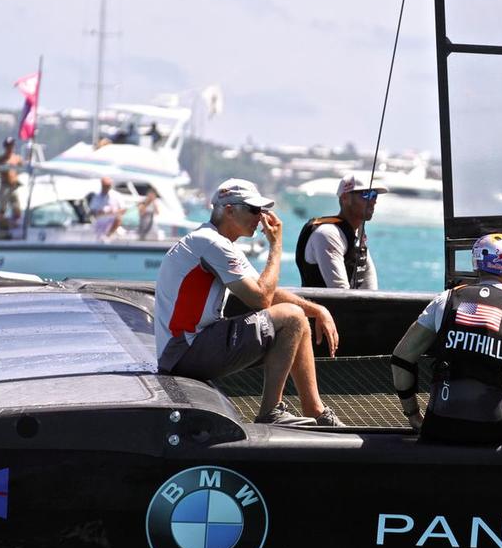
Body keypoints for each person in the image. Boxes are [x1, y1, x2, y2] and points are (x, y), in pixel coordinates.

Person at [155, 178, 343, 427]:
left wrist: (317, 310)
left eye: (262, 210)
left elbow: (265, 290)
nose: (261, 217)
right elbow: (262, 299)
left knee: (300, 321)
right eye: (254, 210)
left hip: (192, 347)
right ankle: (270, 412)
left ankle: (315, 410)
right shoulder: (211, 243)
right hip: (186, 351)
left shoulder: (219, 243)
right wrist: (276, 246)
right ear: (229, 209)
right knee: (292, 317)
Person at [390, 233, 502, 443]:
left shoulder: (446, 298)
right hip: (494, 430)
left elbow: (401, 359)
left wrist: (414, 416)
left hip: (440, 425)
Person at [295, 173, 387, 289]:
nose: (373, 201)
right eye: (366, 194)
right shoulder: (328, 234)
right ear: (345, 198)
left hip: (348, 305)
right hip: (323, 306)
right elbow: (340, 293)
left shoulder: (357, 235)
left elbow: (371, 291)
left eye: (374, 195)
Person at [0, 136, 23, 238]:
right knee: (2, 209)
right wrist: (5, 167)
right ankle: (1, 231)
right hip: (5, 185)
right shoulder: (0, 159)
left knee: (17, 209)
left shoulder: (17, 158)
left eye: (11, 146)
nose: (10, 148)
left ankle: (16, 229)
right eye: (8, 146)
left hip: (14, 186)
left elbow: (21, 168)